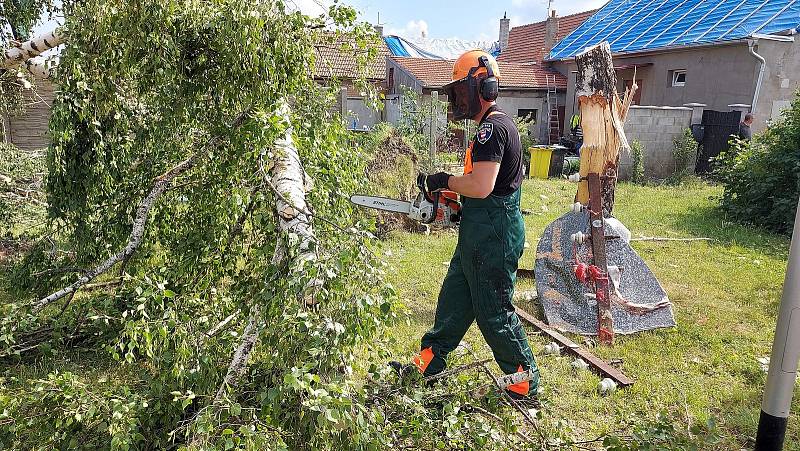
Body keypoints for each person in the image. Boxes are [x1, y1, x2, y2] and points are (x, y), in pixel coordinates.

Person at [392, 50, 539, 399]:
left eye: (461, 90)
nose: (458, 99)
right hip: (478, 234)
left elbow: (481, 186)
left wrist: (443, 180)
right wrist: (457, 203)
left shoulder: (493, 127)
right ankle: (427, 364)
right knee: (454, 302)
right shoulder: (493, 127)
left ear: (483, 86)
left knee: (494, 314)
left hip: (493, 237)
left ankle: (523, 383)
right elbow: (482, 186)